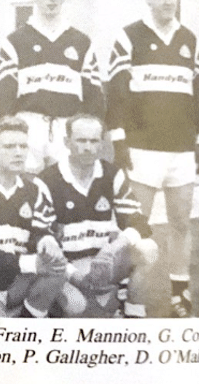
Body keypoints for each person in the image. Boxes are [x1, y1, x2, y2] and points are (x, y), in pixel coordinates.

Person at [106, 0, 199, 318]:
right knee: (137, 228)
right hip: (142, 148)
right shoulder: (129, 36)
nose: (169, 0)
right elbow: (115, 92)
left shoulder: (190, 39)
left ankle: (180, 296)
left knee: (180, 224)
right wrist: (118, 138)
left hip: (179, 149)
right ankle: (124, 295)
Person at [40, 115, 158, 318]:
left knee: (148, 248)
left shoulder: (112, 174)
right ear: (67, 142)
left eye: (94, 141)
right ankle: (59, 305)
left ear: (102, 143)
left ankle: (133, 315)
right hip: (69, 267)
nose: (88, 147)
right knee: (79, 310)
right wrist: (74, 276)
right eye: (81, 140)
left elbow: (139, 222)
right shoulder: (47, 179)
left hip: (104, 260)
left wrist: (114, 248)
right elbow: (41, 237)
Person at [0, 0, 104, 173]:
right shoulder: (15, 41)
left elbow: (94, 96)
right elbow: (2, 95)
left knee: (64, 190)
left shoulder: (81, 42)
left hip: (66, 126)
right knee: (26, 189)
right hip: (27, 124)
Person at [0, 116, 68, 317]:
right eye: (9, 147)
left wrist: (47, 240)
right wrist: (30, 263)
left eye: (23, 146)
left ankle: (25, 319)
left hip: (20, 278)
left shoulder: (34, 188)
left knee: (76, 302)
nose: (18, 153)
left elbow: (40, 230)